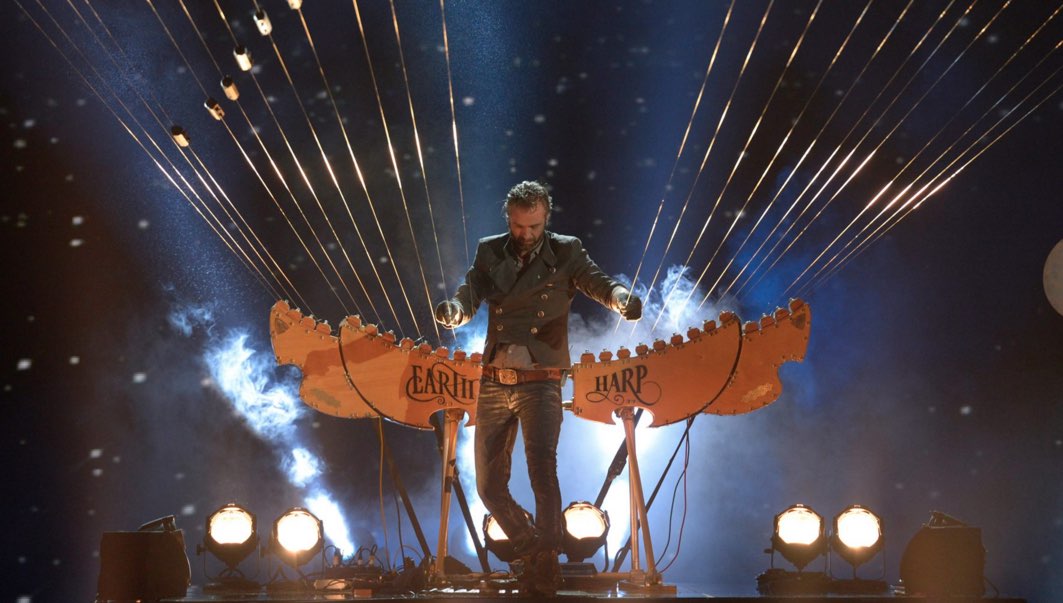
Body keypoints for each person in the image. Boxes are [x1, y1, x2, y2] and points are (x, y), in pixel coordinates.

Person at [434, 181, 642, 596]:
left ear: (546, 218)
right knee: (488, 486)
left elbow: (598, 282)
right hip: (494, 380)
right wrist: (454, 311)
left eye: (533, 226)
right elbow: (470, 292)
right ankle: (534, 545)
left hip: (541, 380)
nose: (525, 234)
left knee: (542, 471)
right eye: (518, 226)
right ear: (508, 219)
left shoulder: (566, 251)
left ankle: (544, 564)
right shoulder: (490, 251)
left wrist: (621, 299)